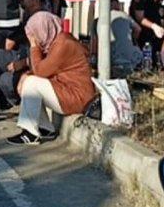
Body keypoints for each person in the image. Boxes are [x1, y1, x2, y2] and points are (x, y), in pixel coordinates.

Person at [6, 12, 97, 146]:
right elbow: (46, 69)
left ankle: (30, 133)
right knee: (31, 82)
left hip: (78, 97)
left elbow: (40, 71)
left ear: (44, 29)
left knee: (32, 83)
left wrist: (34, 46)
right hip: (69, 89)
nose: (34, 38)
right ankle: (44, 128)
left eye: (35, 34)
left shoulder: (63, 44)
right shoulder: (58, 41)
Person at [0, 0, 47, 110]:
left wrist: (23, 63)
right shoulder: (28, 16)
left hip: (30, 62)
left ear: (36, 1)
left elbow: (44, 53)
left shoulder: (41, 20)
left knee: (5, 79)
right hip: (22, 55)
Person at [91, 0, 141, 78]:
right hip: (130, 61)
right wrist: (133, 41)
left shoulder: (98, 20)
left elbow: (95, 45)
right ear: (117, 5)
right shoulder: (125, 16)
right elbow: (138, 29)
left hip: (109, 62)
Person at [128, 0, 164, 66]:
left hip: (159, 15)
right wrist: (154, 26)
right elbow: (139, 17)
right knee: (144, 39)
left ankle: (161, 61)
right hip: (143, 19)